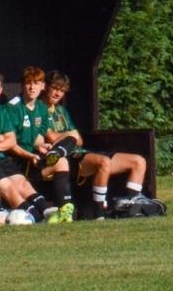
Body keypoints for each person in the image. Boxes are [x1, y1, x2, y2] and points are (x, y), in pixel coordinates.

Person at [40, 71, 154, 217]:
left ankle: (133, 207)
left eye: (62, 90)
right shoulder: (40, 109)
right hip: (67, 159)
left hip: (81, 152)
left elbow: (79, 140)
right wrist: (70, 135)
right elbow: (51, 136)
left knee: (138, 161)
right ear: (46, 86)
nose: (58, 93)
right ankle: (99, 213)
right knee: (103, 162)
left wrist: (71, 136)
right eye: (55, 88)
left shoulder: (61, 111)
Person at [0, 72, 58, 224]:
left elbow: (12, 140)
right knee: (7, 185)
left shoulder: (1, 110)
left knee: (21, 181)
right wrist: (1, 137)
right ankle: (30, 214)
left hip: (1, 156)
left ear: (1, 90)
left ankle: (46, 210)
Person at [12, 66, 74, 223]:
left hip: (35, 159)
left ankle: (64, 213)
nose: (32, 87)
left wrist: (41, 146)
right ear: (22, 85)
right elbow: (10, 143)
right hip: (19, 161)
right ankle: (56, 154)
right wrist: (31, 153)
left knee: (66, 151)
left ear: (42, 86)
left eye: (36, 83)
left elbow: (38, 138)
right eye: (28, 83)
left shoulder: (41, 108)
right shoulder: (13, 107)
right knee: (63, 156)